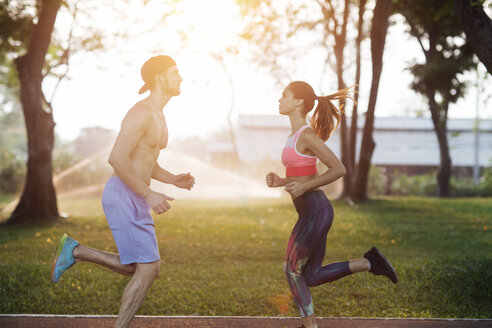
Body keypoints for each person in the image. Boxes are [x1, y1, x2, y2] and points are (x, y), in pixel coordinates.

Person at [50, 55, 195, 328]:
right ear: (159, 78)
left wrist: (173, 179)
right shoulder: (140, 112)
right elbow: (117, 158)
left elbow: (146, 162)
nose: (181, 78)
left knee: (143, 268)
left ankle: (77, 250)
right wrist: (149, 194)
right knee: (148, 268)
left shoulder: (160, 116)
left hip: (136, 194)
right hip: (123, 193)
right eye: (175, 72)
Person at [266, 81, 398, 328]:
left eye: (285, 95)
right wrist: (282, 180)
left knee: (291, 269)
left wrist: (304, 187)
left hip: (316, 210)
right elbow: (305, 174)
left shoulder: (306, 135)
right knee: (311, 276)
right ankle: (369, 262)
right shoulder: (293, 136)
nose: (279, 99)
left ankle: (310, 325)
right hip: (310, 211)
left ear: (298, 102)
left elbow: (338, 169)